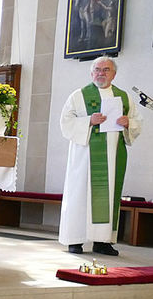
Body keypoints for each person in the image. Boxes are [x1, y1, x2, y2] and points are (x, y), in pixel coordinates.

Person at [59, 56, 142, 256]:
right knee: (80, 194)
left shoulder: (124, 97)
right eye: (97, 69)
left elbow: (137, 121)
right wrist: (89, 120)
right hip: (84, 157)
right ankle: (75, 240)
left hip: (113, 156)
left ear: (114, 74)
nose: (101, 73)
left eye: (106, 70)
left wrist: (128, 123)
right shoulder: (78, 96)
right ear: (91, 73)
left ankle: (102, 241)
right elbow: (65, 122)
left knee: (109, 194)